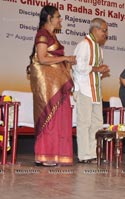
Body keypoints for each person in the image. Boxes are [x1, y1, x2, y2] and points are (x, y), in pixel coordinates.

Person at [29, 6, 76, 166]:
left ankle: (56, 155)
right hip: (48, 85)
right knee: (50, 118)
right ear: (49, 18)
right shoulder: (42, 34)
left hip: (57, 84)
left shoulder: (51, 36)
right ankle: (44, 155)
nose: (60, 19)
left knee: (59, 118)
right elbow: (42, 58)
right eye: (58, 16)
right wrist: (65, 58)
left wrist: (66, 61)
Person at [73, 18, 110, 164]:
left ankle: (93, 153)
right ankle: (84, 155)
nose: (106, 34)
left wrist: (101, 71)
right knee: (84, 123)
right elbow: (77, 66)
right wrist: (96, 69)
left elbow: (96, 71)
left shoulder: (99, 49)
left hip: (96, 91)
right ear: (95, 29)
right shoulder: (84, 45)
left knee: (97, 123)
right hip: (84, 89)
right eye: (104, 30)